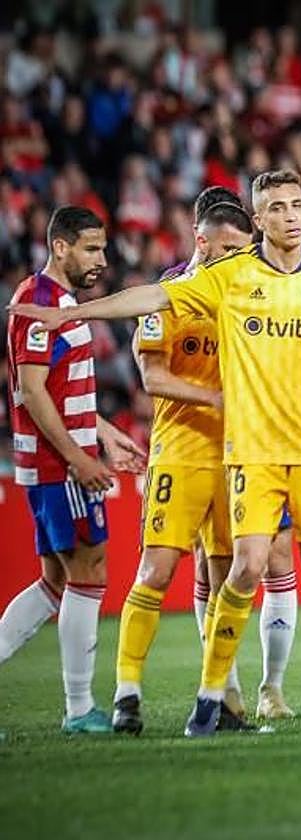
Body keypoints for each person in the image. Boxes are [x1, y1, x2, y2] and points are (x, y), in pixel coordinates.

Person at [11, 170, 301, 733]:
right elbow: (152, 312)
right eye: (278, 208)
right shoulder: (228, 279)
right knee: (221, 568)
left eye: (298, 205)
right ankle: (178, 695)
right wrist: (76, 313)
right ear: (254, 222)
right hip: (227, 451)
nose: (292, 215)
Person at [110, 188, 299, 734]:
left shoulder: (246, 293)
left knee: (228, 579)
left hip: (239, 455)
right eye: (231, 247)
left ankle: (224, 699)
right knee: (157, 568)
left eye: (246, 249)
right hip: (181, 450)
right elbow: (152, 377)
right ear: (202, 240)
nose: (240, 258)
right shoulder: (168, 294)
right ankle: (127, 693)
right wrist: (216, 398)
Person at [2, 206, 147, 733]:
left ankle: (79, 707)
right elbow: (31, 392)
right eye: (90, 248)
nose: (101, 260)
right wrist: (78, 457)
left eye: (103, 249)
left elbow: (63, 391)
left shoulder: (60, 304)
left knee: (56, 581)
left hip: (57, 462)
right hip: (56, 468)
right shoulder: (40, 302)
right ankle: (80, 709)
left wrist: (105, 435)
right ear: (59, 247)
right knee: (90, 574)